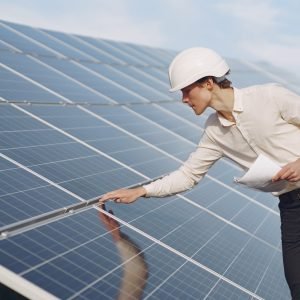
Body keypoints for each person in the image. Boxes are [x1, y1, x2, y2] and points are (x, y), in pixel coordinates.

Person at [100, 47, 300, 299]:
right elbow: (187, 175)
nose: (183, 98)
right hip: (292, 207)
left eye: (186, 90)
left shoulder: (269, 96)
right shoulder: (214, 132)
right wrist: (141, 191)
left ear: (207, 83)